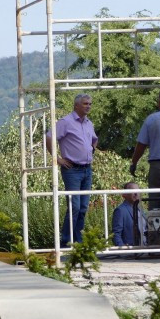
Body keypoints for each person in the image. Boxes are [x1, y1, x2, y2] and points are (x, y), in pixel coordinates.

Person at [45, 93, 98, 245]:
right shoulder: (66, 122)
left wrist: (91, 149)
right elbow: (49, 137)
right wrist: (57, 159)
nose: (88, 106)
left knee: (83, 207)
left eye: (90, 104)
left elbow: (94, 139)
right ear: (76, 105)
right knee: (74, 206)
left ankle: (78, 241)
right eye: (85, 103)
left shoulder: (88, 123)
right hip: (72, 169)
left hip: (87, 169)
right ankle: (66, 242)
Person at [112, 182, 146, 247]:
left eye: (138, 191)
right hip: (131, 250)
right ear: (124, 194)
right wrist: (123, 249)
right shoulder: (120, 211)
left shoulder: (140, 209)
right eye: (132, 191)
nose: (136, 193)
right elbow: (116, 234)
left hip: (146, 249)